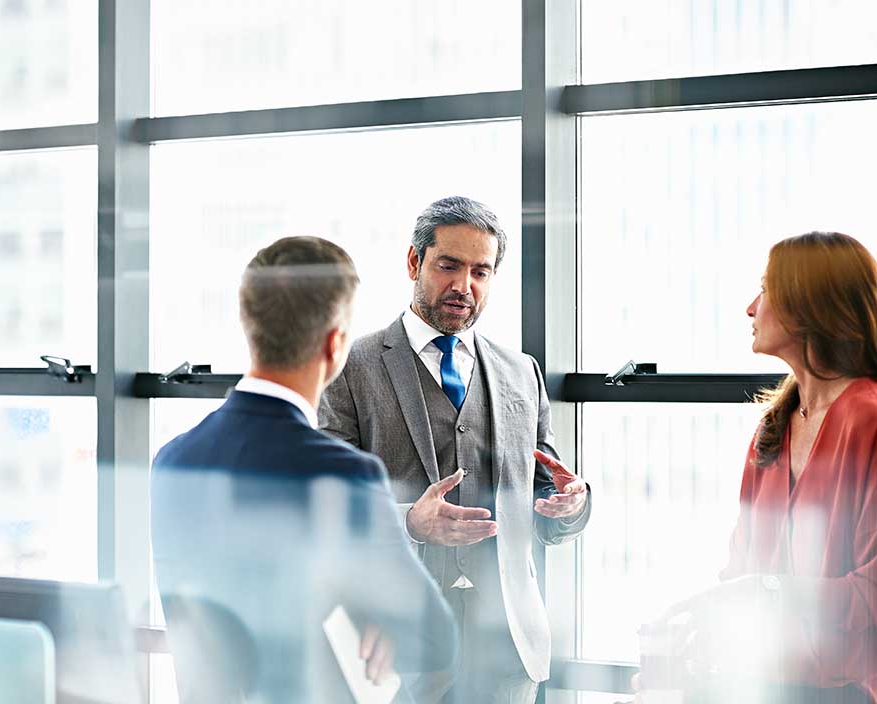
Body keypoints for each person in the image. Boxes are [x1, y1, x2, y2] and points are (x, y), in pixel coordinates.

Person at [151, 236, 458, 704]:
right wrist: (380, 623)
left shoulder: (173, 460)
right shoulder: (338, 473)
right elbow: (435, 637)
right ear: (336, 344)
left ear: (249, 325)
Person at [319, 196, 591, 704]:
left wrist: (570, 505)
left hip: (506, 645)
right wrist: (409, 522)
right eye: (449, 265)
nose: (463, 286)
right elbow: (327, 506)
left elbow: (545, 498)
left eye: (480, 272)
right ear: (413, 262)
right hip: (396, 641)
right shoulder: (351, 366)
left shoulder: (521, 372)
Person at [642, 232, 877, 703]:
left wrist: (766, 591)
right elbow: (741, 571)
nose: (751, 308)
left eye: (766, 289)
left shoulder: (868, 419)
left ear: (808, 304)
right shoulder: (774, 426)